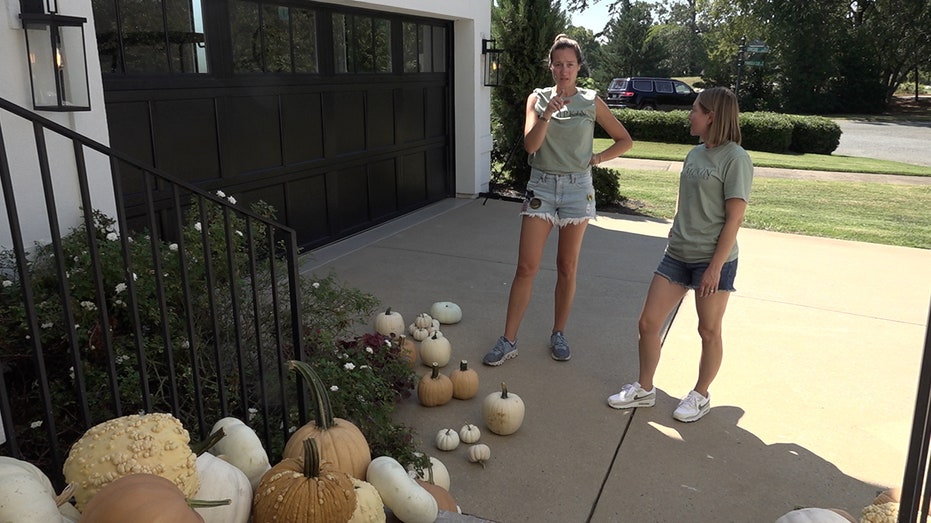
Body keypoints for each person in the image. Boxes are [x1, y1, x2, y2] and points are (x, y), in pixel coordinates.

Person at [483, 34, 633, 366]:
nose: (564, 71)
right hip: (542, 188)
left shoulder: (591, 101)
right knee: (526, 267)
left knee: (567, 267)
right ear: (550, 67)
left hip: (578, 189)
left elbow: (624, 140)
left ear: (579, 67)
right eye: (558, 64)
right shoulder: (536, 99)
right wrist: (547, 114)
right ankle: (509, 340)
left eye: (570, 65)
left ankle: (558, 333)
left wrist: (596, 159)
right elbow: (530, 146)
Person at [607, 86, 753, 422]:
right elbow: (685, 196)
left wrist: (715, 267)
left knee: (708, 330)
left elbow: (735, 218)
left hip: (713, 259)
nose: (690, 115)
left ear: (711, 116)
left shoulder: (736, 159)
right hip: (677, 254)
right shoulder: (695, 154)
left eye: (696, 110)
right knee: (647, 323)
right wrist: (676, 223)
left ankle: (701, 394)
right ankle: (644, 388)